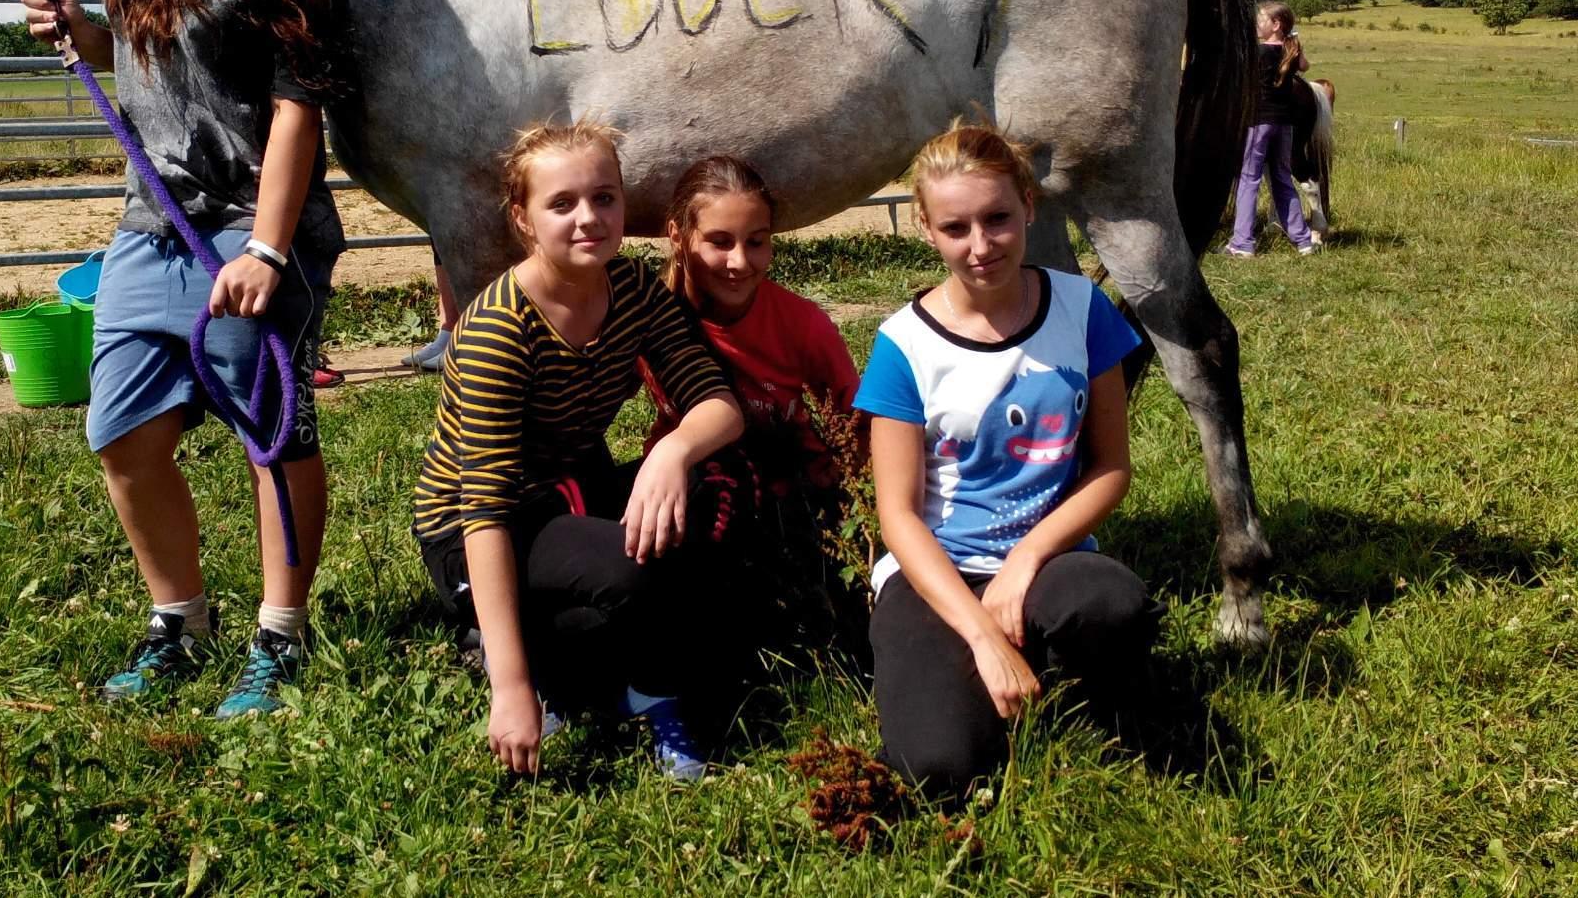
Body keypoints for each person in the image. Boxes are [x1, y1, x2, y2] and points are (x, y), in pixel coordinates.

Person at [21, 0, 350, 718]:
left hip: (253, 225)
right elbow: (141, 56)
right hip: (149, 226)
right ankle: (181, 619)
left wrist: (266, 249)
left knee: (270, 433)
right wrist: (75, 29)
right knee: (119, 433)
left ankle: (281, 636)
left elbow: (298, 109)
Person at [410, 120, 747, 780]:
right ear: (523, 219)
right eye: (561, 204)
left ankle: (590, 662)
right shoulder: (497, 330)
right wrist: (508, 691)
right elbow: (485, 511)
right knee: (631, 572)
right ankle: (576, 677)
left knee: (709, 488)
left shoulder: (635, 291)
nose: (588, 218)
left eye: (605, 197)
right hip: (477, 529)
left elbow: (718, 403)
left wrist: (672, 452)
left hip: (572, 489)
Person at [857, 121, 1158, 801]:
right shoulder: (903, 346)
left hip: (1050, 560)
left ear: (1028, 203)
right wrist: (980, 632)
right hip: (937, 572)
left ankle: (1042, 664)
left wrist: (1025, 561)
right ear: (927, 230)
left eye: (997, 218)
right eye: (956, 227)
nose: (981, 245)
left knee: (1117, 608)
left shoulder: (1082, 310)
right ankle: (976, 665)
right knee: (936, 770)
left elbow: (1110, 467)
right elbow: (898, 517)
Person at [643, 155, 865, 651]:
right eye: (719, 241)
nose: (740, 261)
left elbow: (859, 427)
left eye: (756, 242)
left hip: (802, 503)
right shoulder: (655, 319)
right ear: (678, 238)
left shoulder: (804, 326)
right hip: (697, 489)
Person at [1227, 1, 1317, 257]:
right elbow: (1304, 67)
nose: (1257, 24)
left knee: (1249, 179)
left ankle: (1242, 243)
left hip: (1259, 121)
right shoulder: (1289, 50)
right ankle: (1303, 240)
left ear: (1276, 25)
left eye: (1261, 20)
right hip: (1285, 124)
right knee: (1282, 179)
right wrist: (1294, 41)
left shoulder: (1259, 52)